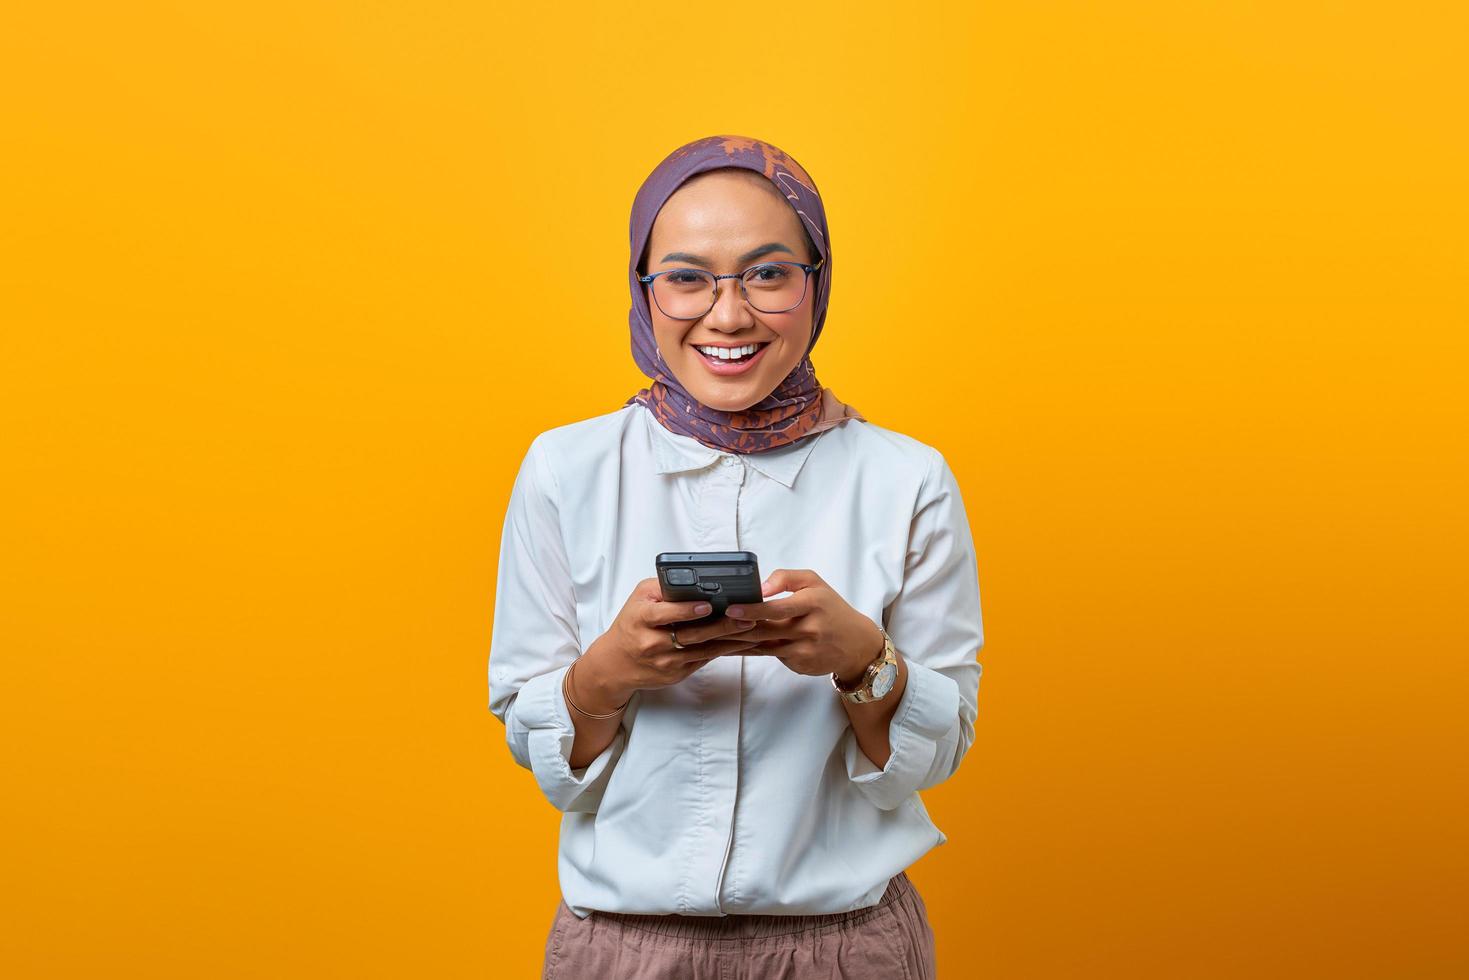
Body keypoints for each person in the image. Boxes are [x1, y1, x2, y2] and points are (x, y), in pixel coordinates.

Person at [488, 134, 984, 979]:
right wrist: (610, 668)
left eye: (766, 273)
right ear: (644, 292)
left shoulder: (909, 479)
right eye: (685, 277)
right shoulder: (564, 470)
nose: (727, 315)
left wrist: (863, 659)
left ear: (814, 282)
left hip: (845, 948)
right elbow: (541, 750)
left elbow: (929, 760)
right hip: (620, 951)